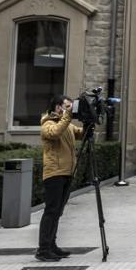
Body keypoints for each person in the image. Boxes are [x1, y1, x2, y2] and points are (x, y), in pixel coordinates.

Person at [38, 94, 81, 261]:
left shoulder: (67, 125)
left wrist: (91, 122)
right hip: (54, 173)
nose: (70, 109)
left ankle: (51, 245)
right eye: (67, 106)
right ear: (57, 107)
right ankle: (43, 249)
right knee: (51, 211)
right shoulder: (47, 123)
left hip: (66, 172)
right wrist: (68, 116)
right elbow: (55, 133)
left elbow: (79, 133)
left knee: (58, 212)